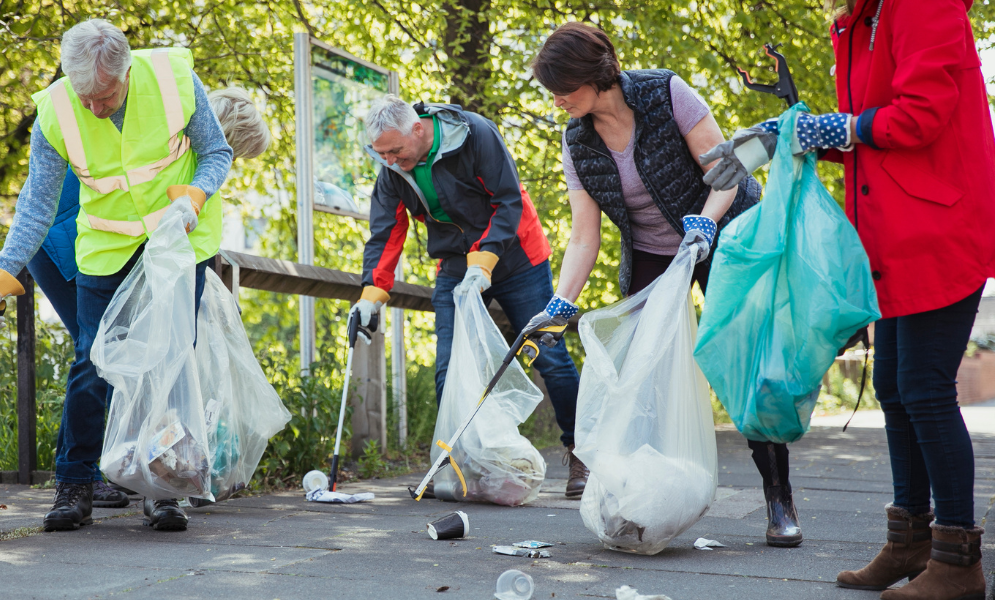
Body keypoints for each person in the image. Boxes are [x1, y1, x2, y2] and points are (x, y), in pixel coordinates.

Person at [703, 0, 995, 597]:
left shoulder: (921, 5)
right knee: (892, 385)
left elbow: (919, 117)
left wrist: (834, 128)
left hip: (939, 228)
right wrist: (784, 137)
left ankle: (958, 559)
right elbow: (870, 128)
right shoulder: (861, 19)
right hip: (891, 236)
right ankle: (911, 541)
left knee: (925, 389)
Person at [525, 23, 822, 548]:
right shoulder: (577, 142)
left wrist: (704, 226)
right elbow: (583, 238)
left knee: (742, 364)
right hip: (653, 254)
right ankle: (642, 500)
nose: (558, 101)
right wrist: (559, 304)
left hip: (724, 233)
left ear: (594, 75)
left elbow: (724, 171)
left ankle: (779, 498)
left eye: (563, 88)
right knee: (639, 375)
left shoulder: (666, 93)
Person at [0, 19, 233, 533]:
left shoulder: (176, 78)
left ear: (126, 72)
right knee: (92, 358)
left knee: (171, 362)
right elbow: (37, 203)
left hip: (178, 240)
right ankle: (74, 483)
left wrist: (194, 198)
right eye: (84, 96)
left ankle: (164, 490)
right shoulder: (55, 110)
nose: (93, 107)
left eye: (105, 96)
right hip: (106, 246)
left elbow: (217, 153)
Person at [25, 87, 272, 510]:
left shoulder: (179, 149)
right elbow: (68, 217)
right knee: (100, 356)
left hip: (90, 248)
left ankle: (146, 471)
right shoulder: (164, 149)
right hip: (66, 249)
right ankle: (89, 475)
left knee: (130, 360)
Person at [351, 95, 588, 497]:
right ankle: (458, 463)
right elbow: (386, 231)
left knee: (548, 354)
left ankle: (582, 453)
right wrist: (372, 294)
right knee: (448, 366)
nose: (389, 161)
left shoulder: (475, 133)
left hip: (517, 256)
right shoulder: (391, 168)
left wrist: (486, 261)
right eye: (381, 154)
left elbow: (507, 200)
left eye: (394, 151)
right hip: (456, 265)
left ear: (418, 130)